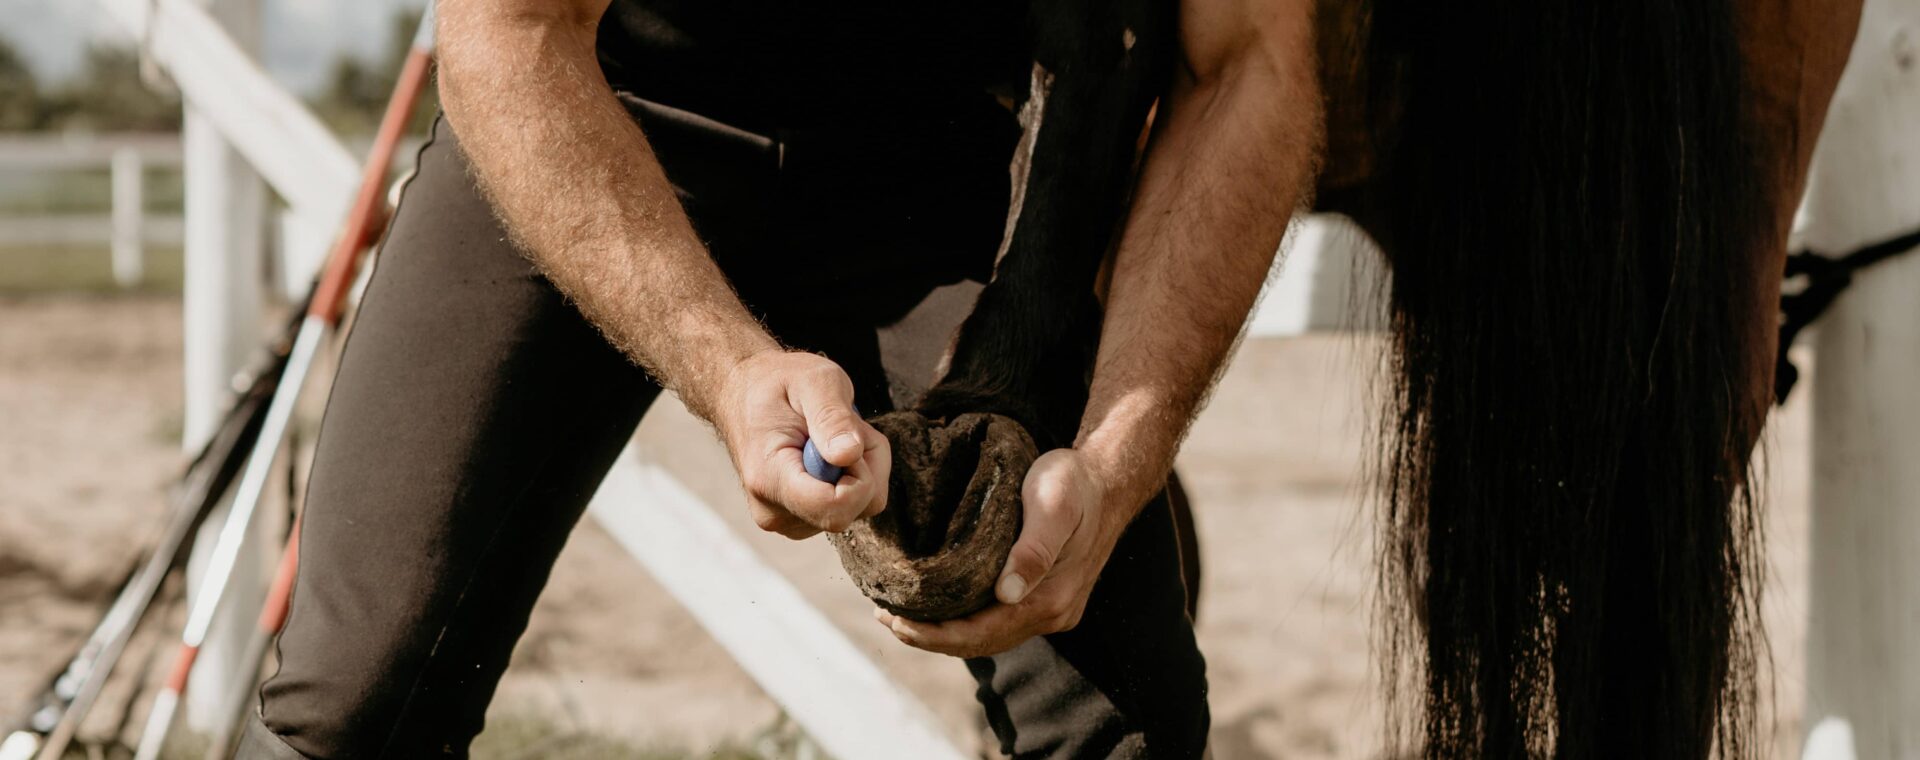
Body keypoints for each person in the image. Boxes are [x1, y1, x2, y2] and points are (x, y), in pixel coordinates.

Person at [237, 0, 1322, 757]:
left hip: (939, 172)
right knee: (347, 711)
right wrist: (728, 363)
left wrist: (1118, 462)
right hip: (601, 113)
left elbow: (1246, 62)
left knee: (1119, 722)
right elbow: (510, 33)